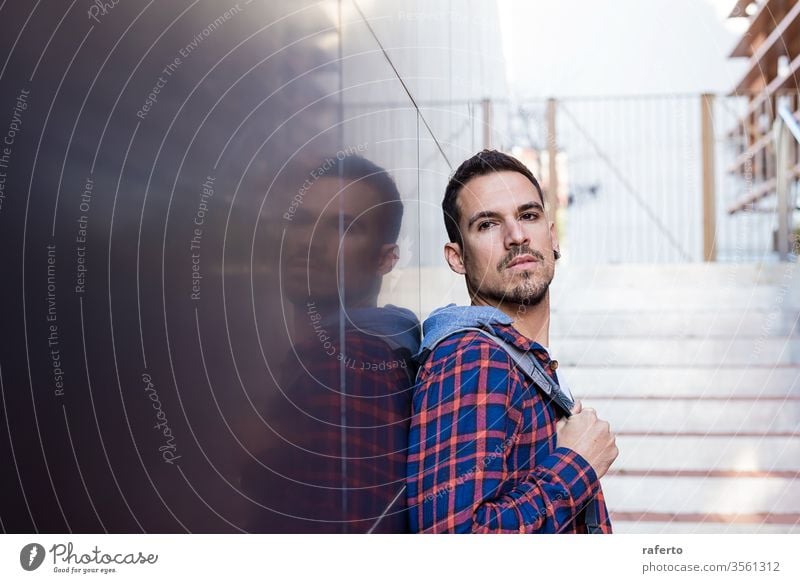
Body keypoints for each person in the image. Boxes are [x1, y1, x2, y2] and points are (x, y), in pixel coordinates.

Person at [406, 149, 617, 533]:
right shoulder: (473, 358)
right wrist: (576, 465)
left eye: (529, 216)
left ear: (552, 237)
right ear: (457, 258)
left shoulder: (517, 357)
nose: (516, 236)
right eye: (487, 224)